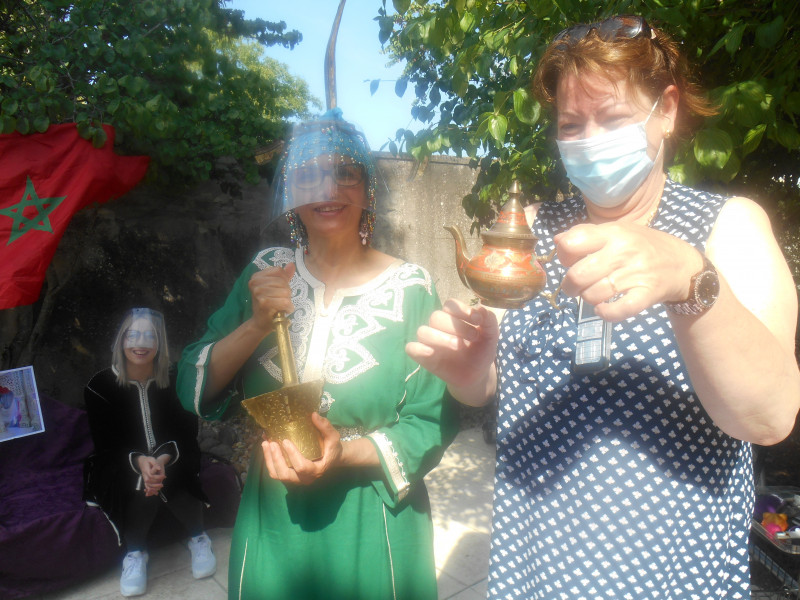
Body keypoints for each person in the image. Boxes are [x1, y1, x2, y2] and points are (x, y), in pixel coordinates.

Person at [407, 15, 800, 600]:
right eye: (571, 125)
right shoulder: (533, 234)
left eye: (612, 119)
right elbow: (500, 384)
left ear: (665, 111)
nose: (590, 141)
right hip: (533, 567)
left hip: (672, 575)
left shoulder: (725, 227)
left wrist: (690, 281)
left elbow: (768, 418)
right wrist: (476, 378)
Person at [177, 108, 458, 600]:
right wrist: (257, 324)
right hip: (274, 507)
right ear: (291, 195)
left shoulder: (412, 288)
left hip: (371, 513)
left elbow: (431, 419)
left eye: (345, 174)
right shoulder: (265, 275)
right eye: (309, 176)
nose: (328, 190)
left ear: (369, 192)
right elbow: (193, 387)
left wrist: (341, 453)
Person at [84, 308, 216, 597]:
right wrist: (140, 462)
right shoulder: (99, 386)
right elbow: (106, 444)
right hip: (120, 461)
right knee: (139, 480)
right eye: (132, 334)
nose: (140, 343)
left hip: (173, 453)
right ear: (121, 340)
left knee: (170, 473)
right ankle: (135, 554)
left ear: (160, 343)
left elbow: (184, 432)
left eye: (149, 335)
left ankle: (198, 538)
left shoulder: (175, 377)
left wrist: (160, 460)